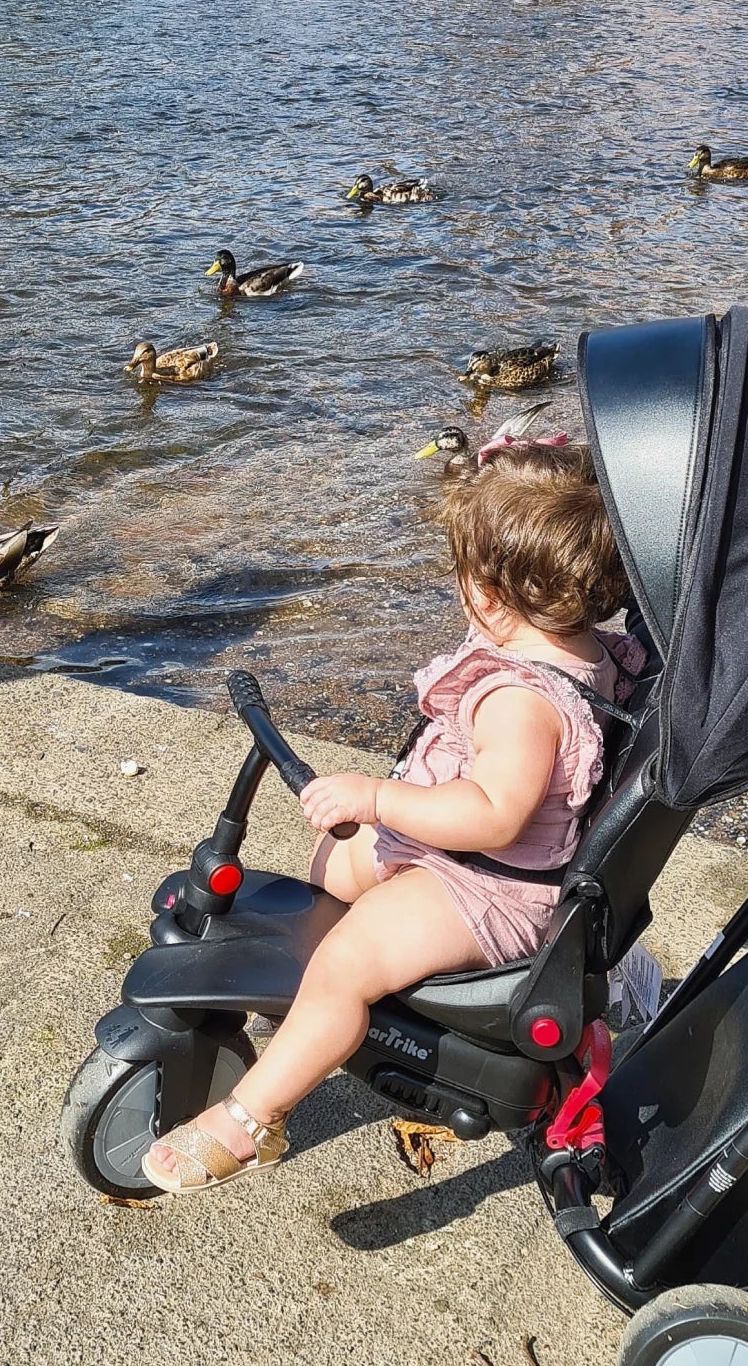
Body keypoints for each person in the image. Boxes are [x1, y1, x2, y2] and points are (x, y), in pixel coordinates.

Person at [144, 438, 646, 1194]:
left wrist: (378, 797)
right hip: (460, 859)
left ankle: (248, 1121)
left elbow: (493, 814)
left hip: (489, 889)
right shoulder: (583, 651)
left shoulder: (520, 701)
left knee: (345, 961)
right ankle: (318, 1016)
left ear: (484, 592)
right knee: (335, 862)